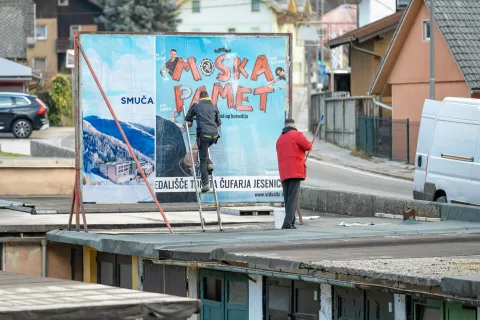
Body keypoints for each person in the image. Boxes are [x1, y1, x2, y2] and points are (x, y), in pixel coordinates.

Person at [276, 118, 312, 229]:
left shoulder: (280, 139)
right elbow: (308, 146)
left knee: (288, 197)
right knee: (293, 197)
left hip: (284, 172)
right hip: (295, 171)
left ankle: (291, 221)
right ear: (294, 125)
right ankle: (287, 223)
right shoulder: (297, 134)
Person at [185, 91, 221, 193]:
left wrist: (192, 119)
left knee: (202, 160)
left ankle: (205, 185)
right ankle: (209, 163)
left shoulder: (196, 105)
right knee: (204, 152)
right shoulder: (214, 106)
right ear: (208, 97)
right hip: (214, 136)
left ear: (200, 98)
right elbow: (219, 122)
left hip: (204, 136)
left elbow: (187, 117)